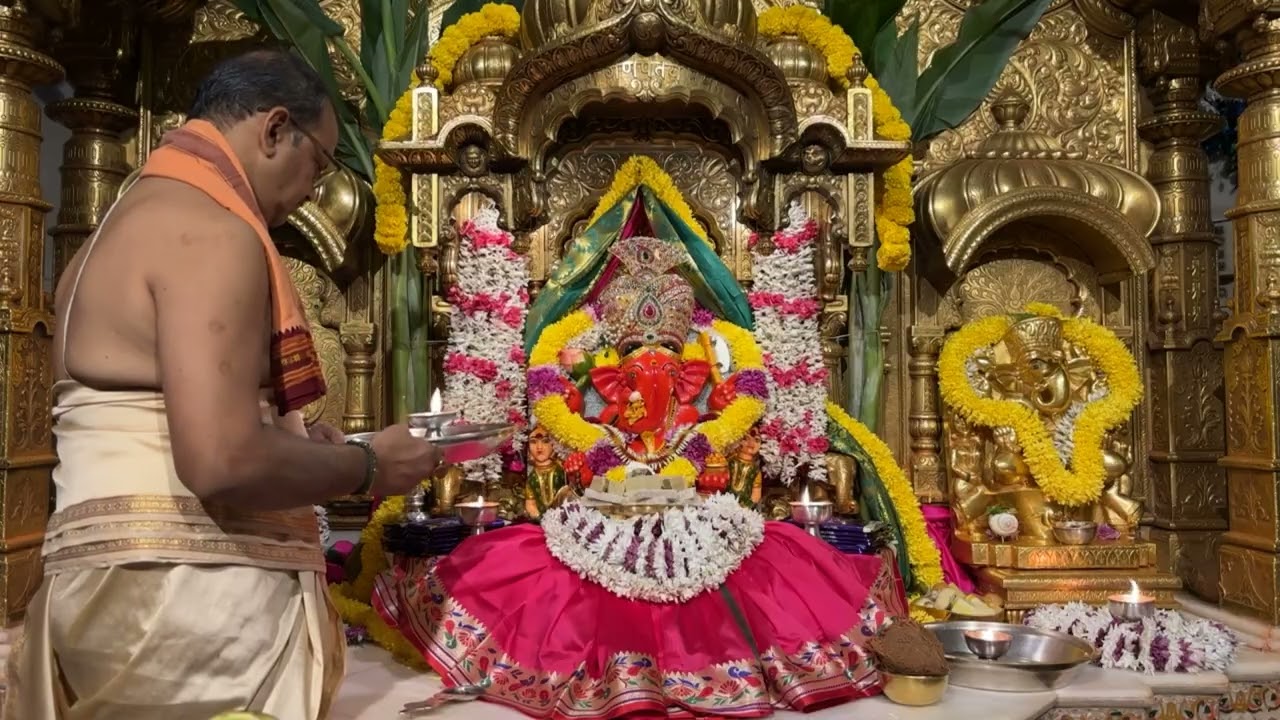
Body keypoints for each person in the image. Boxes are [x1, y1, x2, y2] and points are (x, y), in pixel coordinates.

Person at [6, 50, 441, 720]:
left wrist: (295, 445)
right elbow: (220, 460)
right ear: (275, 129)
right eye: (320, 163)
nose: (313, 190)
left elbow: (153, 413)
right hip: (183, 603)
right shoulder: (211, 232)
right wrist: (369, 466)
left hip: (115, 591)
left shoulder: (115, 228)